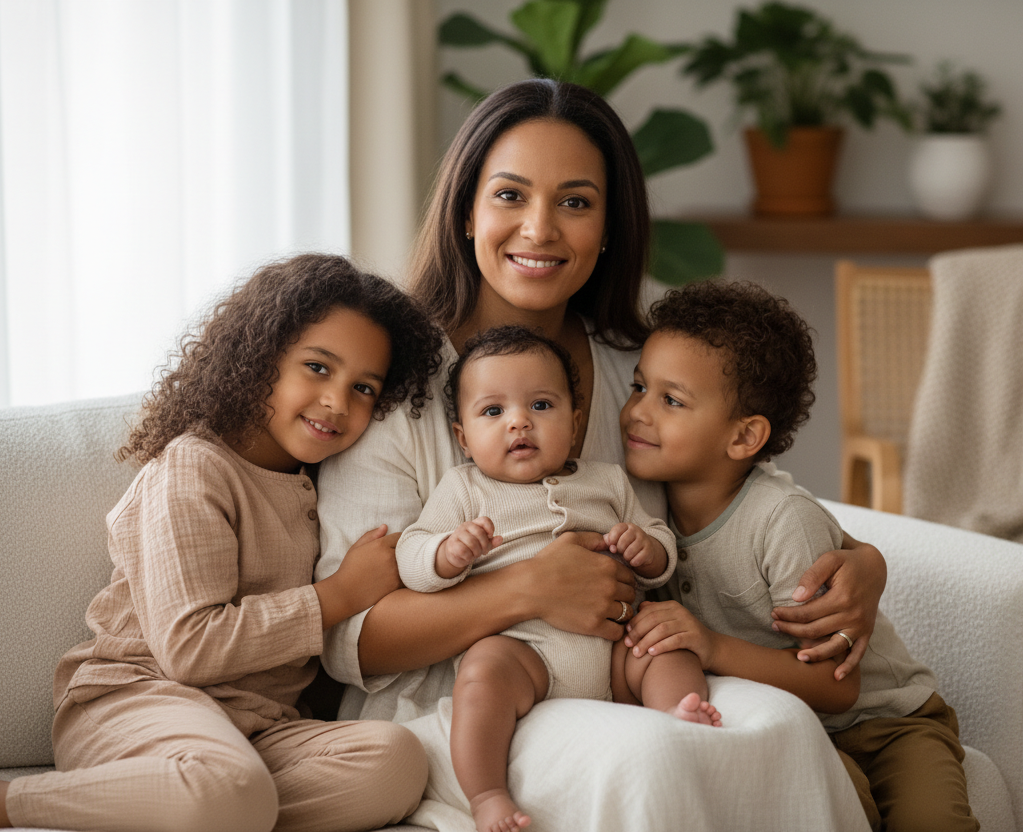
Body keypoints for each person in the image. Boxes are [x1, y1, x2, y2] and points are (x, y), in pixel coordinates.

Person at [315, 78, 888, 831]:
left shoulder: (636, 370)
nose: (540, 229)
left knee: (775, 725)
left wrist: (865, 560)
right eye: (510, 196)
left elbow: (736, 495)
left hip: (630, 668)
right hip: (468, 697)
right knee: (652, 761)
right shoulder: (395, 387)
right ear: (466, 212)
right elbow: (349, 636)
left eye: (576, 202)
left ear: (611, 225)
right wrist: (525, 590)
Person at [0, 254, 442, 832]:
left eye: (363, 388)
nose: (338, 401)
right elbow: (189, 647)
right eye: (317, 368)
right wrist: (339, 594)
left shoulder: (314, 482)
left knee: (396, 762)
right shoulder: (194, 466)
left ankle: (215, 806)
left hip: (256, 729)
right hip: (139, 701)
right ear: (261, 360)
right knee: (225, 787)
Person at [618, 280, 978, 832]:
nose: (637, 412)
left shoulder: (782, 520)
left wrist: (709, 644)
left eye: (671, 400)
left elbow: (839, 686)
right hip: (796, 727)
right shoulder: (644, 514)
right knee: (826, 808)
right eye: (639, 386)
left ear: (744, 438)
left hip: (887, 723)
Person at [396, 325, 718, 832]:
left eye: (541, 406)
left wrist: (648, 549)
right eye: (493, 411)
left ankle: (679, 717)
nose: (519, 422)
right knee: (481, 674)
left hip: (613, 645)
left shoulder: (607, 481)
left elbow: (663, 542)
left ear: (576, 419)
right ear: (463, 436)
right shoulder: (464, 489)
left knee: (663, 643)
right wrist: (446, 553)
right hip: (523, 652)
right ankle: (486, 796)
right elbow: (410, 553)